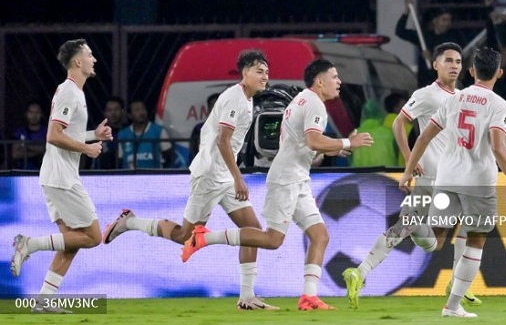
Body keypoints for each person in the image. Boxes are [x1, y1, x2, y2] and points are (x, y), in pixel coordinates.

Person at [180, 59, 374, 311]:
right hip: (286, 179)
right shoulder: (315, 104)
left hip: (296, 177)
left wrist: (335, 147)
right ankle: (205, 238)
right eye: (334, 77)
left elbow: (303, 146)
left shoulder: (301, 100)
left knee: (320, 235)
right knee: (272, 240)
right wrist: (347, 143)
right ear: (320, 81)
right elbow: (313, 141)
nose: (339, 82)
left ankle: (309, 297)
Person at [102, 50, 277, 310]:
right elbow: (223, 141)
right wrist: (238, 178)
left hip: (224, 176)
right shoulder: (235, 98)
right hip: (210, 175)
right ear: (245, 73)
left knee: (253, 231)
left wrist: (232, 177)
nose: (265, 76)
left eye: (266, 72)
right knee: (185, 236)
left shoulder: (247, 99)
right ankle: (130, 222)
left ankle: (247, 297)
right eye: (259, 71)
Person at [342, 42, 481, 310]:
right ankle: (458, 284)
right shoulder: (427, 94)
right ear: (435, 65)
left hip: (440, 176)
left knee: (426, 236)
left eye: (458, 61)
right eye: (448, 60)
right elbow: (399, 123)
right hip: (443, 177)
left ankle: (360, 272)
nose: (454, 65)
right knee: (466, 225)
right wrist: (409, 159)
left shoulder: (463, 97)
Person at [398, 47, 506, 319]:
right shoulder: (499, 105)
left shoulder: (454, 99)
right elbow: (498, 147)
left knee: (436, 240)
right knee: (476, 241)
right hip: (478, 182)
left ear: (471, 71)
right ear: (499, 73)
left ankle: (416, 227)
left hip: (446, 178)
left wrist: (407, 171)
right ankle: (452, 306)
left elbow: (423, 137)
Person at [10, 38, 112, 312]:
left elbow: (66, 133)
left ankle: (43, 301)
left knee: (71, 243)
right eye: (90, 55)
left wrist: (92, 134)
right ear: (77, 61)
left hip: (56, 176)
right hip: (62, 178)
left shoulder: (73, 92)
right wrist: (87, 148)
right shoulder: (70, 92)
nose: (94, 59)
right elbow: (53, 135)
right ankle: (29, 244)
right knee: (93, 237)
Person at [395, 0, 466, 87]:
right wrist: (406, 11)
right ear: (435, 20)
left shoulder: (452, 40)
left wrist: (432, 59)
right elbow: (400, 32)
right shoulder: (424, 36)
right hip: (424, 84)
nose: (447, 23)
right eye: (444, 20)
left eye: (449, 20)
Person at [118, 100, 173, 169]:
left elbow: (169, 156)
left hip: (153, 174)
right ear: (129, 115)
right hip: (130, 175)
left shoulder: (158, 130)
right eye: (137, 110)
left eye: (143, 109)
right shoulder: (123, 134)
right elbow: (120, 159)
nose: (141, 112)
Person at [349, 99, 397, 168]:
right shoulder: (389, 133)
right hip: (386, 173)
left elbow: (350, 159)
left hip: (361, 174)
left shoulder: (353, 135)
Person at [11, 101, 48, 170]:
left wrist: (25, 146)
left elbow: (47, 150)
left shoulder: (47, 131)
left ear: (42, 114)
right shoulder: (19, 132)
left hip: (43, 171)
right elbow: (15, 154)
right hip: (22, 171)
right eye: (31, 112)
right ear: (26, 114)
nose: (34, 116)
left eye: (37, 112)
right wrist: (38, 151)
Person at [93, 96, 126, 170]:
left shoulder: (127, 132)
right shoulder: (98, 132)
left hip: (123, 171)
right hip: (101, 172)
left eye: (116, 109)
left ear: (122, 111)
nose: (113, 113)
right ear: (104, 113)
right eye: (109, 110)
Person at [189, 93, 220, 162]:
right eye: (212, 105)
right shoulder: (199, 128)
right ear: (208, 109)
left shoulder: (232, 128)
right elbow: (194, 151)